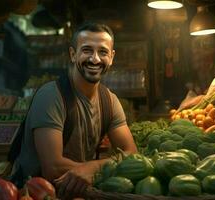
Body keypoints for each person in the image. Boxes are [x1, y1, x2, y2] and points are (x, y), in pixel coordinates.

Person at [10, 22, 137, 199]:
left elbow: (132, 155)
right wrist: (99, 167)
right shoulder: (52, 96)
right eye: (87, 50)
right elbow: (53, 168)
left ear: (112, 57)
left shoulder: (110, 101)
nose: (95, 59)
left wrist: (91, 167)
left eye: (103, 52)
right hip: (35, 195)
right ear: (73, 54)